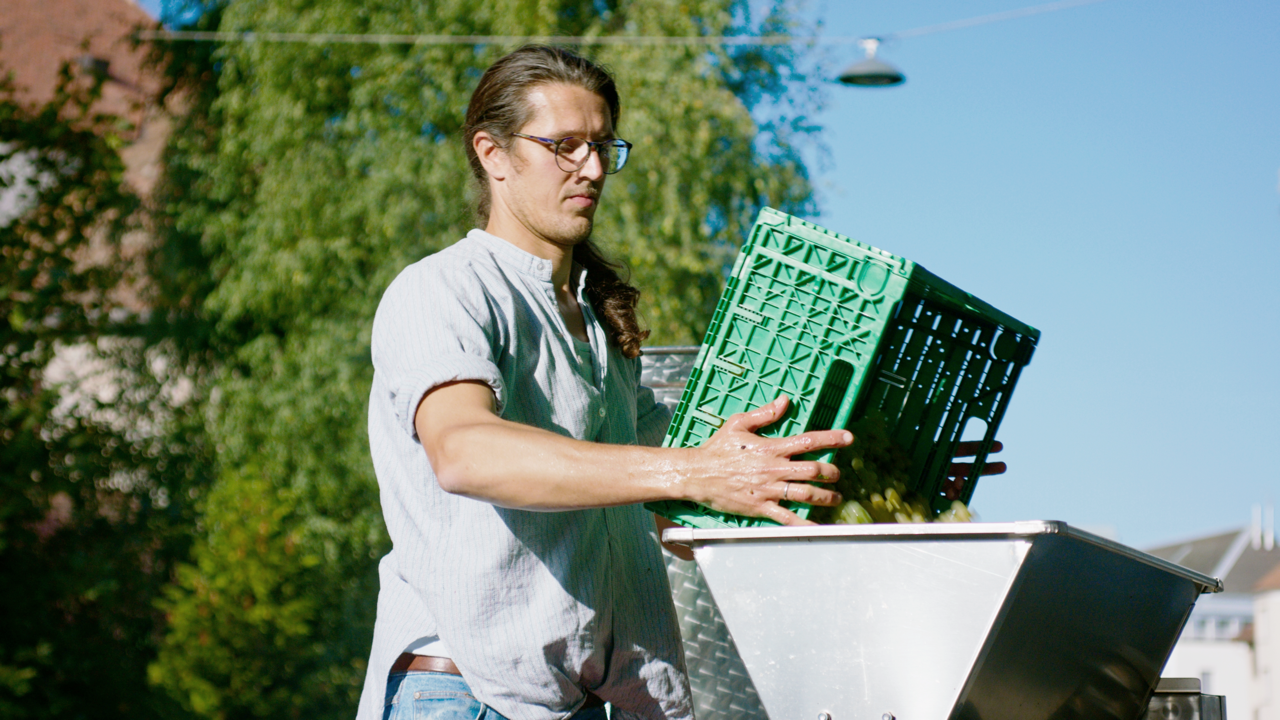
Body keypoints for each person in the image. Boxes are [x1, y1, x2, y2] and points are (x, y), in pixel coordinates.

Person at [356, 44, 854, 720]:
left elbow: (697, 480)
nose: (591, 169)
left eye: (603, 146)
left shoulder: (595, 320)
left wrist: (869, 459)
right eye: (563, 146)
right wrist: (689, 473)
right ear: (492, 154)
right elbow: (465, 451)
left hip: (583, 702)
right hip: (466, 696)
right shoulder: (442, 290)